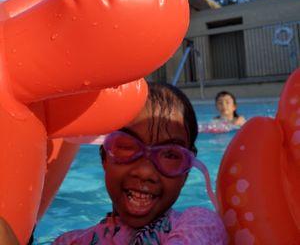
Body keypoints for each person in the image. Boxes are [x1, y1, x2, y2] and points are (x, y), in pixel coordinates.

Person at [1, 83, 228, 245]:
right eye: (127, 147)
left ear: (187, 169)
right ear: (104, 156)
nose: (145, 171)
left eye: (170, 155)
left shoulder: (199, 224)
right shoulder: (71, 241)